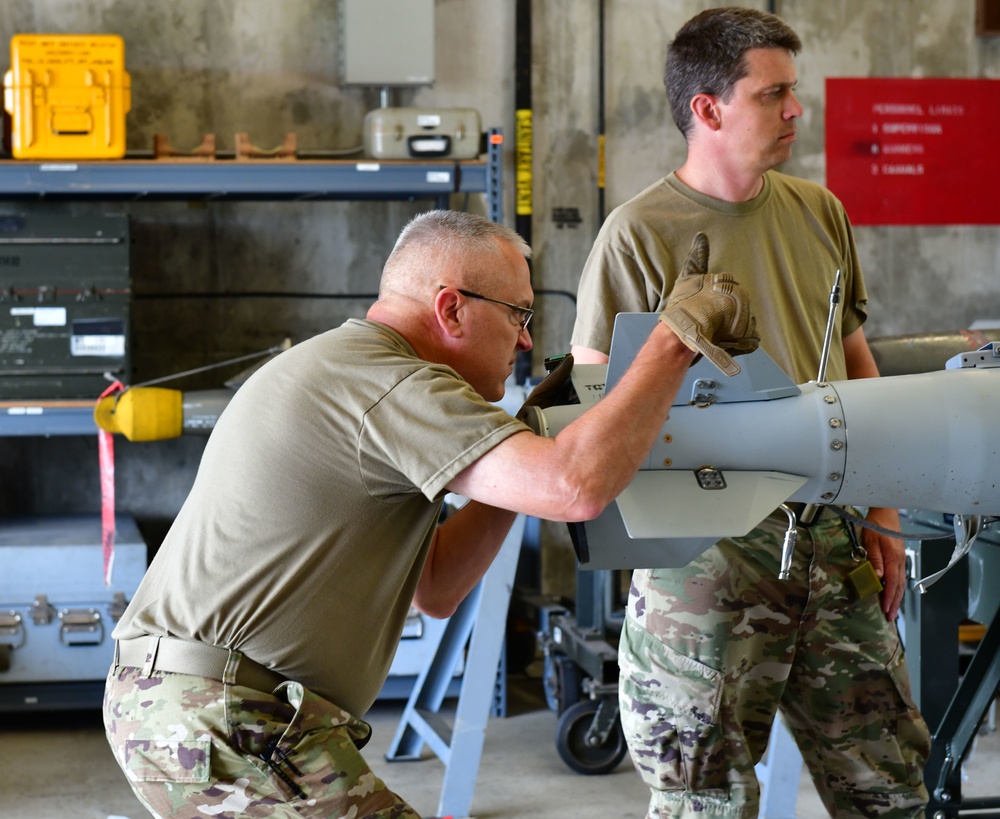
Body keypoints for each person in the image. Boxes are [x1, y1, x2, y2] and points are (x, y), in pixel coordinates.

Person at [103, 208, 757, 819]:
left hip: (188, 705)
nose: (526, 338)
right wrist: (672, 343)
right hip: (222, 712)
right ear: (451, 308)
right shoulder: (391, 381)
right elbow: (575, 487)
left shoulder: (353, 367)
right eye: (519, 314)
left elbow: (438, 586)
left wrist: (530, 430)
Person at [570, 7, 930, 819]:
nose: (796, 110)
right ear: (708, 108)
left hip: (834, 537)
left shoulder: (819, 211)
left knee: (890, 784)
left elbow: (856, 363)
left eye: (794, 91)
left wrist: (882, 508)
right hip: (707, 559)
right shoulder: (638, 235)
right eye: (774, 95)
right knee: (704, 795)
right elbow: (594, 407)